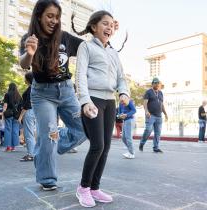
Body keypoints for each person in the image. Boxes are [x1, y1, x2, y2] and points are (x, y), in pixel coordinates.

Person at [19, 0, 87, 191]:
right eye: (50, 16)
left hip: (66, 90)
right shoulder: (28, 38)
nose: (54, 21)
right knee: (49, 136)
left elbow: (89, 49)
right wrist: (30, 53)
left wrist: (101, 30)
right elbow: (24, 64)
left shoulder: (65, 38)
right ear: (39, 16)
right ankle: (47, 178)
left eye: (57, 17)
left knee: (84, 127)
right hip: (42, 94)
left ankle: (46, 146)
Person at [75, 10, 130, 208]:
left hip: (110, 101)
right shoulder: (86, 46)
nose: (108, 27)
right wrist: (85, 101)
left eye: (111, 24)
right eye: (104, 23)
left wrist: (124, 92)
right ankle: (83, 187)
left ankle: (95, 188)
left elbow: (122, 77)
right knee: (97, 145)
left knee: (106, 147)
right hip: (93, 100)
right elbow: (80, 75)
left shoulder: (113, 52)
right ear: (93, 27)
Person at [139, 77, 168, 153]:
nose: (157, 84)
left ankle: (156, 148)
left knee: (158, 133)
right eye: (155, 83)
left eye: (158, 83)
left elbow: (162, 105)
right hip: (150, 115)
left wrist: (165, 114)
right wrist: (146, 111)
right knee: (148, 130)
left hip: (159, 116)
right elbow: (145, 103)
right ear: (152, 84)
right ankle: (142, 143)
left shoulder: (161, 93)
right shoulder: (148, 92)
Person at [18, 72, 36, 161]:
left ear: (28, 79)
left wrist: (20, 116)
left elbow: (27, 104)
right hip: (35, 112)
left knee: (28, 134)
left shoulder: (31, 89)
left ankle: (31, 154)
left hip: (29, 112)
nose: (24, 80)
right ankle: (33, 153)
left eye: (25, 78)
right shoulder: (35, 88)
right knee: (32, 133)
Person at [3, 83, 22, 152]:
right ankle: (13, 147)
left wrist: (3, 114)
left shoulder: (7, 94)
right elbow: (20, 107)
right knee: (15, 130)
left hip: (9, 114)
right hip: (16, 115)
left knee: (8, 129)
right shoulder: (19, 96)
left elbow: (5, 105)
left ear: (9, 87)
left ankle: (8, 147)